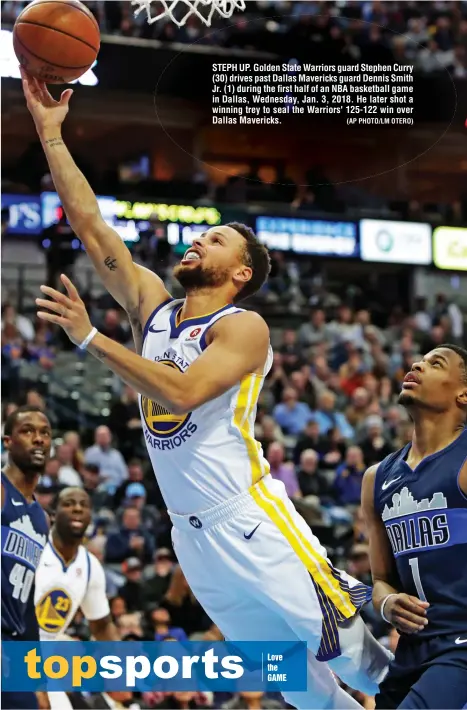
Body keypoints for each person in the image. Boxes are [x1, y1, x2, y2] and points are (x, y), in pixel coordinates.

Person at [23, 70, 391, 710]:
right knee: (299, 687)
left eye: (215, 239)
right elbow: (92, 227)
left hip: (252, 519)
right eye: (202, 234)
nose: (198, 239)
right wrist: (52, 135)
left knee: (363, 665)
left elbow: (186, 391)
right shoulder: (155, 311)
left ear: (240, 272)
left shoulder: (243, 327)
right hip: (191, 538)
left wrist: (91, 339)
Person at [362, 344, 467, 709]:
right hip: (411, 651)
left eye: (435, 363)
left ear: (463, 394)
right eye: (418, 360)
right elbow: (380, 580)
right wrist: (388, 602)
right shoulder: (376, 478)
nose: (417, 364)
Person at [35, 487, 119, 710]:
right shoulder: (35, 549)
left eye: (83, 505)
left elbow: (101, 625)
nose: (77, 509)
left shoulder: (90, 566)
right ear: (53, 514)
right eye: (69, 504)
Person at [2, 406, 52, 710]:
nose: (38, 439)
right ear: (8, 441)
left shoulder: (41, 518)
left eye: (45, 433)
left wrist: (38, 679)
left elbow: (27, 602)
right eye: (27, 431)